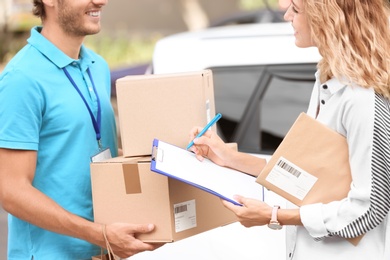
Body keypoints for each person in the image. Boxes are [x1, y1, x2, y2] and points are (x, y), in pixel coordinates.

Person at [189, 0, 390, 259]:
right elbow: (303, 177)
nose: (286, 16)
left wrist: (273, 216)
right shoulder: (327, 80)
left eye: (295, 9)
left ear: (325, 17)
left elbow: (369, 209)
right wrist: (229, 158)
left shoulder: (362, 98)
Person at [0, 0, 162, 259]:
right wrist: (99, 234)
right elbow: (12, 191)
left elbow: (92, 149)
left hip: (103, 252)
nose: (100, 1)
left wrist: (160, 160)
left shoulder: (98, 66)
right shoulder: (22, 79)